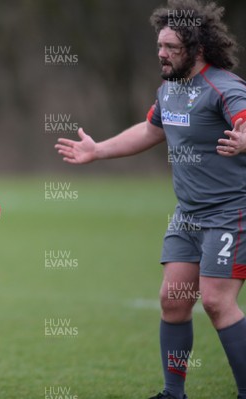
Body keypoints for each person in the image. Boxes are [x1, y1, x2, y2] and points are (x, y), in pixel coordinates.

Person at [55, 1, 246, 398]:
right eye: (159, 45)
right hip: (188, 215)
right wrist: (97, 150)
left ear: (196, 49)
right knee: (173, 300)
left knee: (215, 301)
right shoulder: (170, 90)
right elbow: (150, 130)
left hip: (230, 213)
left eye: (171, 47)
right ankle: (173, 393)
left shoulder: (224, 87)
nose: (161, 53)